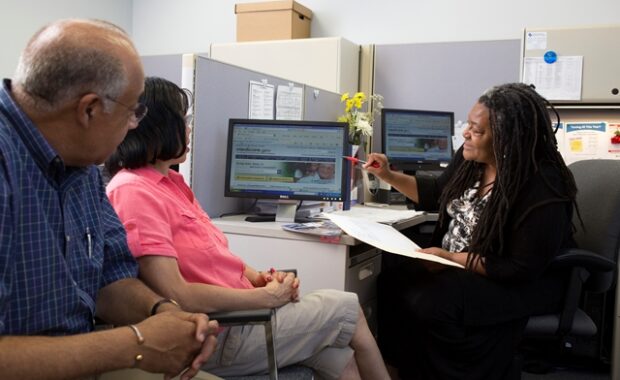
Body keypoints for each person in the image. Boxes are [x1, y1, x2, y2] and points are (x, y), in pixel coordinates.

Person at [105, 76, 390, 380]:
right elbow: (176, 294)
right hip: (222, 334)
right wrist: (267, 297)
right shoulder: (133, 191)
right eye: (182, 120)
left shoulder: (172, 183)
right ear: (157, 126)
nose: (188, 129)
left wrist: (258, 277)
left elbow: (212, 256)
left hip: (243, 322)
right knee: (348, 306)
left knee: (339, 358)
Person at [0, 19, 218, 380]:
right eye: (133, 111)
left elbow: (110, 279)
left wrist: (160, 311)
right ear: (89, 110)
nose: (133, 125)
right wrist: (136, 344)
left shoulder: (82, 163)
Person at [364, 83, 578, 380]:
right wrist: (386, 174)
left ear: (505, 140)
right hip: (463, 266)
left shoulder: (541, 185)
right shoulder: (472, 161)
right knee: (391, 281)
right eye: (469, 125)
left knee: (432, 303)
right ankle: (399, 371)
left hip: (521, 282)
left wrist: (452, 257)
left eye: (478, 131)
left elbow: (519, 267)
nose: (466, 133)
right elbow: (435, 193)